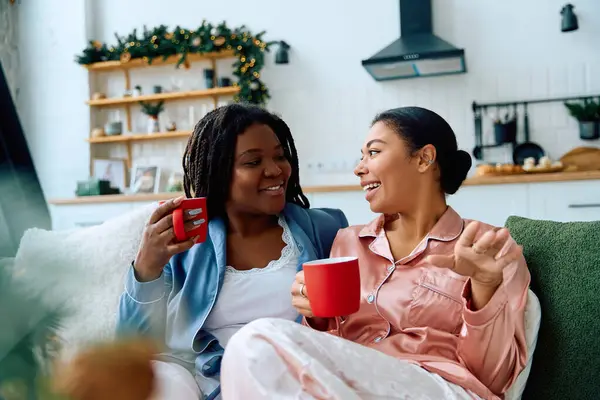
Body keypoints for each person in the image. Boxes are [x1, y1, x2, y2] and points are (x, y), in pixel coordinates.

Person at [220, 107, 531, 400]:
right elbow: (329, 352)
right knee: (251, 353)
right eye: (361, 156)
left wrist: (485, 285)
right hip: (352, 385)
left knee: (256, 338)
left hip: (439, 386)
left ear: (424, 158)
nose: (359, 168)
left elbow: (495, 379)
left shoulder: (487, 247)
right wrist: (316, 319)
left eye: (373, 152)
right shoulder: (349, 242)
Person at [115, 103, 348, 400]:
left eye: (280, 155)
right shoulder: (183, 244)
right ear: (218, 171)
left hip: (292, 378)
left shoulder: (323, 228)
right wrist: (147, 267)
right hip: (208, 385)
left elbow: (357, 317)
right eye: (253, 162)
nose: (276, 170)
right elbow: (129, 350)